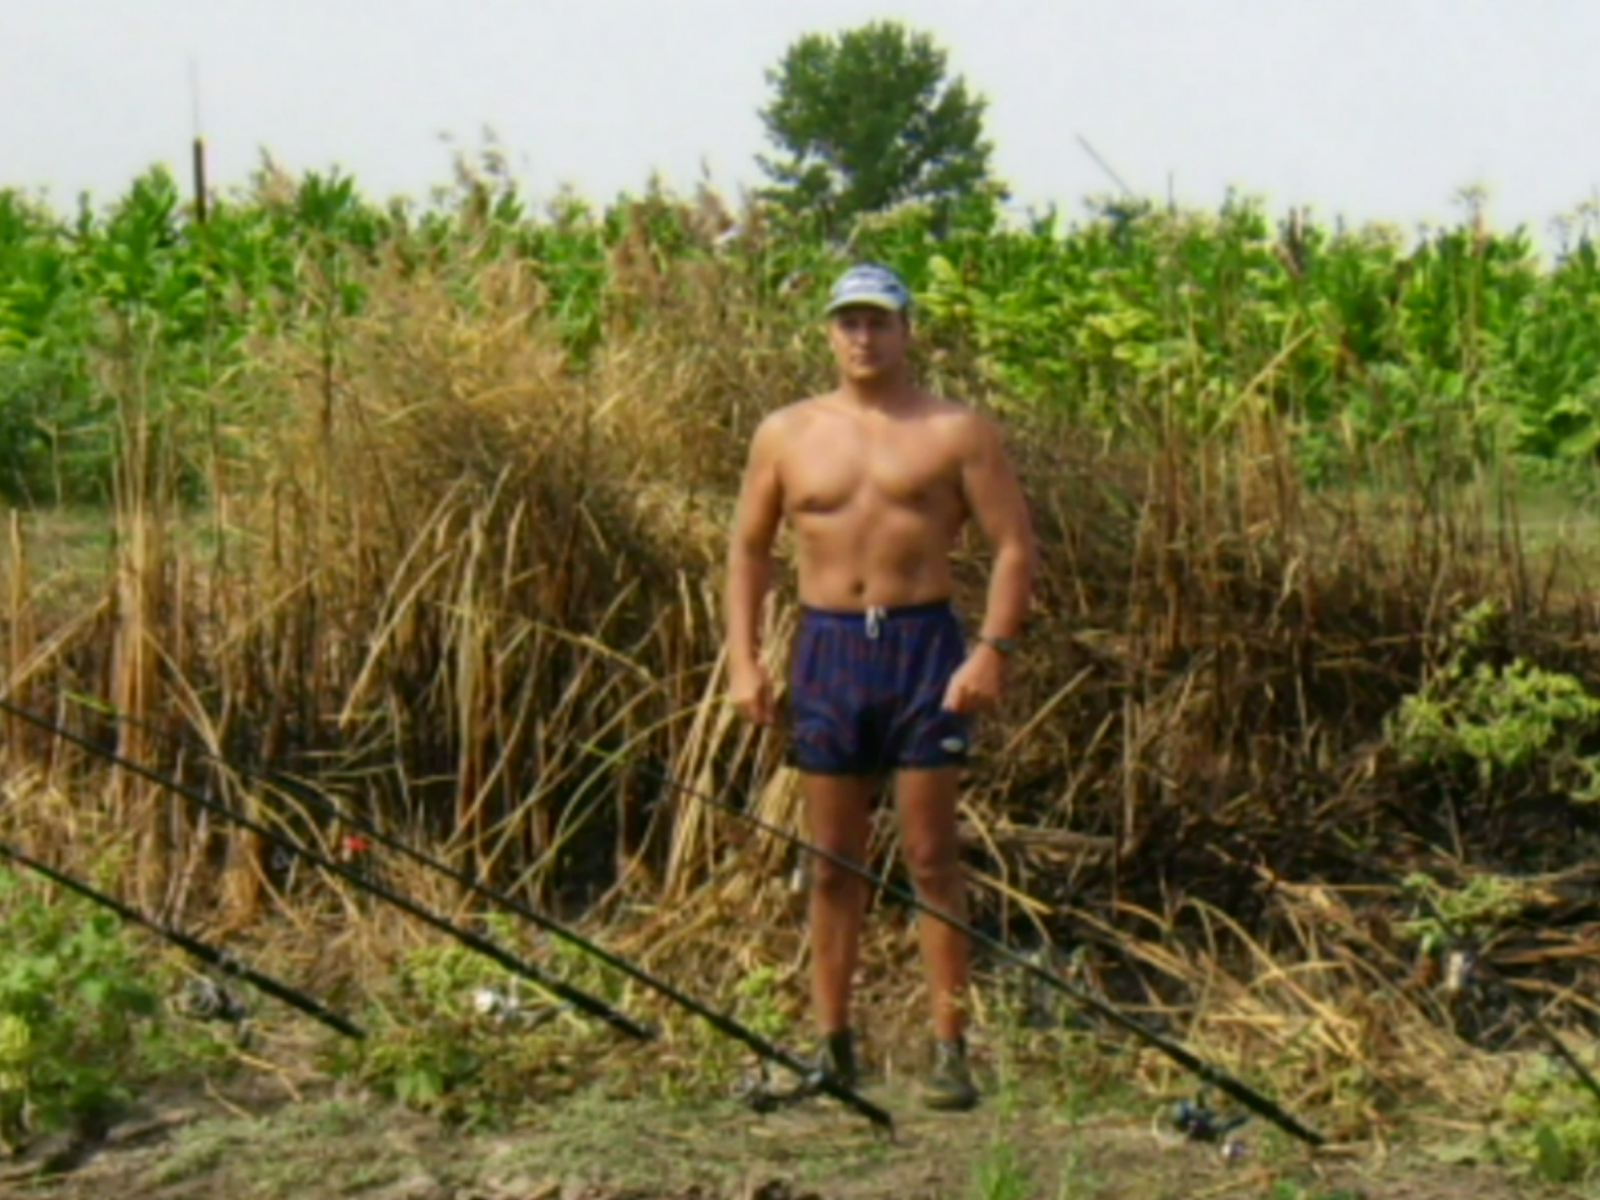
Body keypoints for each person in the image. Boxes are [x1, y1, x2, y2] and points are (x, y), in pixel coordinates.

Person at [723, 262, 1036, 1112]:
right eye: (849, 322)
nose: (863, 338)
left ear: (905, 332)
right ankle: (834, 1048)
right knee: (832, 862)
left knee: (932, 856)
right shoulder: (787, 432)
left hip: (922, 647)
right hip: (828, 651)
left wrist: (991, 652)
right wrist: (744, 660)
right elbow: (748, 549)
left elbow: (1014, 546)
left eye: (878, 322)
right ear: (830, 333)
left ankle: (950, 1049)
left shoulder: (955, 430)